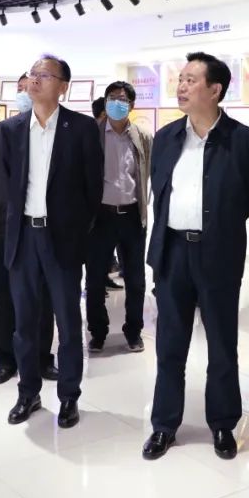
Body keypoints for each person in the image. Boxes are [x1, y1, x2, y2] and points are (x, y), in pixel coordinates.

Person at [142, 52, 249, 461]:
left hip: (218, 253)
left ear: (215, 90)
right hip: (172, 251)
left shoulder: (240, 139)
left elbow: (248, 196)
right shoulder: (166, 137)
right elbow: (160, 192)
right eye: (180, 79)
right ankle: (164, 425)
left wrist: (216, 226)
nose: (181, 86)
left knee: (222, 345)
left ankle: (223, 424)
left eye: (191, 80)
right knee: (169, 345)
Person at [0, 55, 102, 428]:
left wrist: (76, 231)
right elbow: (3, 183)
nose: (34, 80)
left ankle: (69, 396)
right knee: (24, 323)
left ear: (63, 86)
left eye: (44, 75)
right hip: (23, 237)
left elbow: (92, 189)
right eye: (32, 74)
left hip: (62, 239)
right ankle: (28, 393)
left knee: (68, 323)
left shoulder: (82, 128)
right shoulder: (10, 130)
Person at [0, 74, 57, 385]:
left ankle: (42, 357)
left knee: (43, 296)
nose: (27, 91)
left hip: (45, 225)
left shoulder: (57, 130)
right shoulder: (2, 131)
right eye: (21, 88)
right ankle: (4, 359)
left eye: (32, 85)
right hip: (8, 225)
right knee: (5, 294)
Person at [85, 81, 153, 354]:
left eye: (122, 99)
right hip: (100, 217)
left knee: (135, 280)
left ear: (131, 105)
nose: (116, 103)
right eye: (111, 98)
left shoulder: (142, 136)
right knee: (94, 280)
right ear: (105, 102)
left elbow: (150, 173)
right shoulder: (92, 134)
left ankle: (133, 332)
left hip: (132, 216)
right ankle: (97, 332)